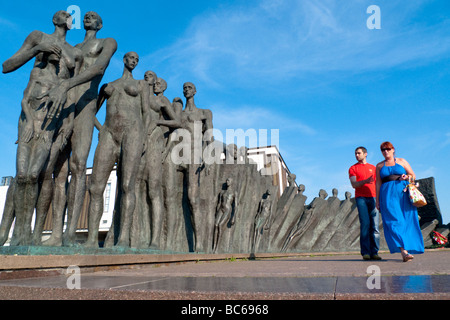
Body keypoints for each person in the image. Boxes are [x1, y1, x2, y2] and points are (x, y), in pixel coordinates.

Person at [2, 10, 82, 245]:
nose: (69, 17)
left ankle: (25, 233)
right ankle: (11, 232)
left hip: (52, 118)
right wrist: (37, 51)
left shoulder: (73, 53)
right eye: (65, 14)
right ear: (56, 20)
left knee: (36, 174)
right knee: (22, 175)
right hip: (30, 113)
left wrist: (68, 122)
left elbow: (71, 92)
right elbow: (7, 66)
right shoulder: (38, 37)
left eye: (70, 15)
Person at [84, 52, 149, 248]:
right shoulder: (108, 86)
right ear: (124, 60)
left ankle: (123, 238)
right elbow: (91, 111)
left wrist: (143, 137)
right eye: (131, 58)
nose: (134, 61)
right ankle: (91, 240)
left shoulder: (141, 85)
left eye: (137, 60)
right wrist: (100, 128)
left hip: (132, 133)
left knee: (127, 186)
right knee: (96, 187)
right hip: (109, 134)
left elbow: (146, 113)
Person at [375, 141, 424, 262]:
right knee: (394, 222)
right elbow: (378, 183)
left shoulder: (402, 161)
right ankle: (404, 252)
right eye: (383, 150)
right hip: (387, 195)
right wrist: (377, 200)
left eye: (388, 149)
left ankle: (407, 249)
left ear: (393, 150)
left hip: (403, 194)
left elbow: (413, 175)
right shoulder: (379, 166)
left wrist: (407, 177)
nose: (385, 152)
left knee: (406, 221)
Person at [349, 146, 381, 260]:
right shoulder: (353, 168)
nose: (357, 155)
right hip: (361, 198)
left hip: (373, 198)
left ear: (365, 154)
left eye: (359, 153)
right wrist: (365, 181)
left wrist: (379, 199)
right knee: (365, 224)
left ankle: (375, 252)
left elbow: (378, 184)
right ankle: (366, 253)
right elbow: (354, 184)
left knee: (375, 226)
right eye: (355, 153)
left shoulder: (373, 168)